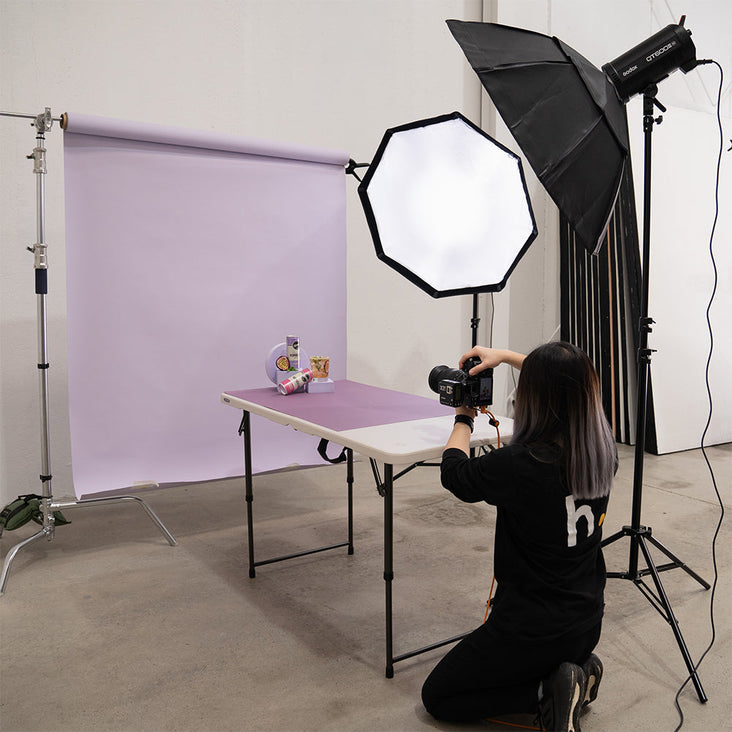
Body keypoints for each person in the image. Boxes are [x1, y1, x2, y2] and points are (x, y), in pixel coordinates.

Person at [421, 342, 617, 732]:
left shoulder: (521, 463)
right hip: (586, 622)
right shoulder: (601, 449)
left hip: (531, 632)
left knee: (438, 697)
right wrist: (507, 356)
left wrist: (463, 418)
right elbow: (572, 383)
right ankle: (577, 671)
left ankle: (547, 692)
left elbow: (455, 473)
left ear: (532, 397)